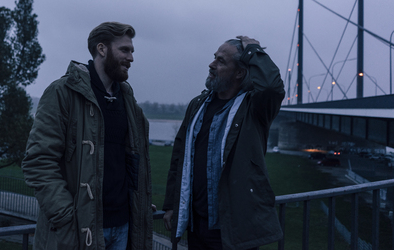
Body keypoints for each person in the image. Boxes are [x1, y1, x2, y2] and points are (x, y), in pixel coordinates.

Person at [22, 22, 153, 250]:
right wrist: (65, 217)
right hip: (81, 228)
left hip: (122, 227)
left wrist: (138, 202)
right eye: (124, 50)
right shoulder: (62, 93)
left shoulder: (127, 100)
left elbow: (132, 161)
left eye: (132, 51)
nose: (131, 58)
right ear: (101, 49)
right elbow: (38, 161)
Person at [163, 36, 284, 250]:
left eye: (221, 61)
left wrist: (253, 50)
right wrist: (172, 205)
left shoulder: (253, 108)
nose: (211, 65)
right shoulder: (198, 104)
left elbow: (270, 88)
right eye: (214, 58)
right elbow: (179, 156)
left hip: (232, 230)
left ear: (239, 72)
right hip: (197, 225)